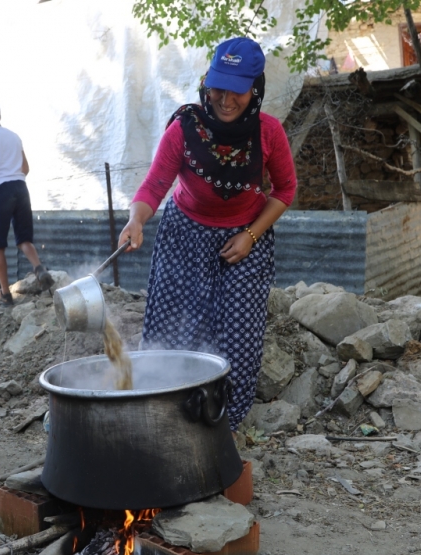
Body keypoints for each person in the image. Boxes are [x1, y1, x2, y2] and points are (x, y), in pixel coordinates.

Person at [118, 37, 297, 436]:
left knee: (238, 337)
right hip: (184, 236)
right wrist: (136, 220)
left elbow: (285, 190)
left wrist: (251, 235)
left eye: (237, 89)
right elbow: (153, 187)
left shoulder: (268, 133)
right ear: (206, 83)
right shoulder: (185, 129)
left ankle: (220, 429)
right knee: (174, 333)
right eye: (218, 87)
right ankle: (166, 419)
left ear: (256, 88)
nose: (225, 99)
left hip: (244, 243)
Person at [0, 99, 53, 306]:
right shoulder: (14, 136)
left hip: (2, 190)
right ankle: (39, 268)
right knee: (24, 240)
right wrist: (13, 177)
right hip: (21, 188)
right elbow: (26, 167)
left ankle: (5, 294)